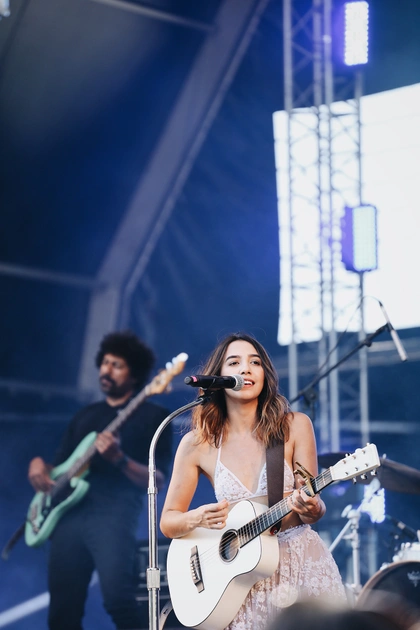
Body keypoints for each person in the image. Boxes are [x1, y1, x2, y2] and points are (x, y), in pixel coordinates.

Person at [160, 332, 346, 630]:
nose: (246, 369)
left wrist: (312, 507)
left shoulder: (294, 426)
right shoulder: (197, 443)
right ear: (218, 377)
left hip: (298, 563)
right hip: (237, 583)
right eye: (234, 363)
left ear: (264, 374)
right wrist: (196, 518)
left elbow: (312, 507)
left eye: (255, 362)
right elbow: (169, 522)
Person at [28, 330, 173, 630]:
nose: (106, 370)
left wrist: (119, 459)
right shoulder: (85, 415)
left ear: (135, 374)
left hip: (113, 517)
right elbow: (60, 467)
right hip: (67, 518)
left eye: (117, 365)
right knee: (62, 613)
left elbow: (158, 480)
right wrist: (38, 464)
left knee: (119, 601)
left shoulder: (154, 416)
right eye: (105, 363)